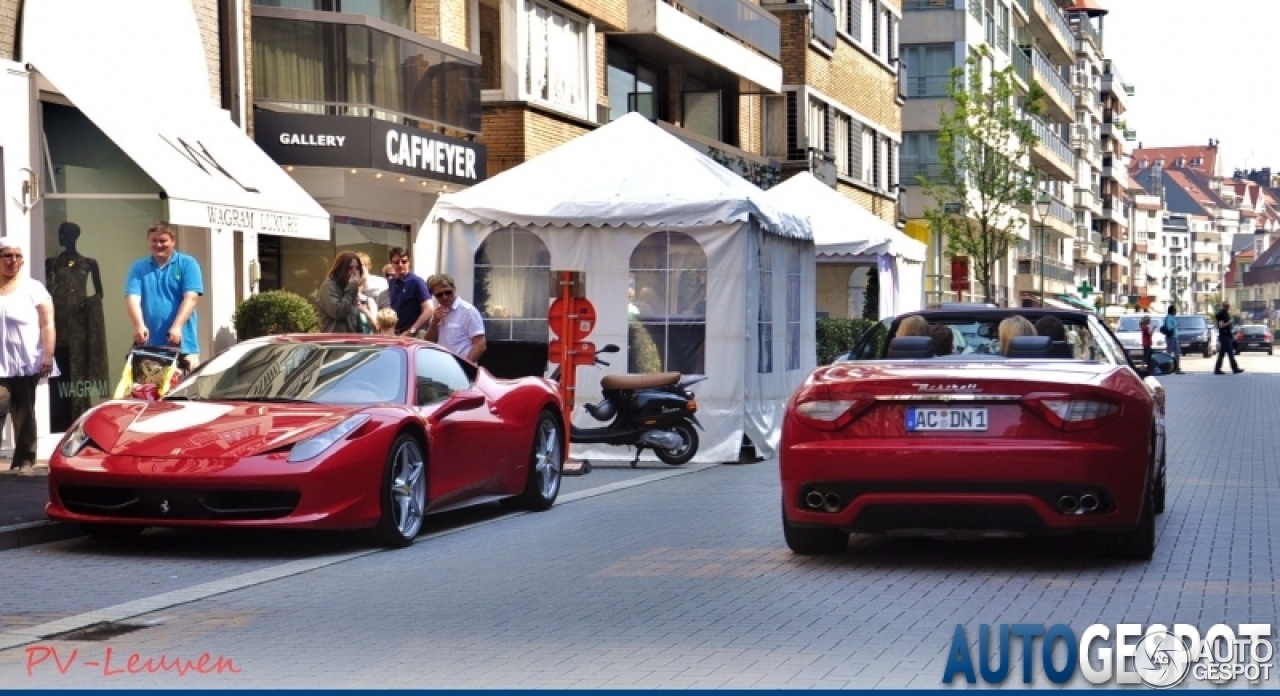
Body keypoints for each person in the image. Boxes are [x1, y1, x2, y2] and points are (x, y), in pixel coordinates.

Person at [0, 238, 57, 475]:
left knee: (24, 413)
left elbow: (47, 323)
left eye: (18, 256)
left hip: (25, 360)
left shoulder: (33, 288)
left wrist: (48, 354)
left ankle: (25, 460)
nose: (14, 261)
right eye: (8, 256)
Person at [125, 221, 204, 370]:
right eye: (154, 240)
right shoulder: (138, 268)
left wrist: (177, 326)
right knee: (150, 392)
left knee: (184, 392)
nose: (158, 245)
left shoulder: (188, 264)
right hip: (150, 348)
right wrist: (138, 325)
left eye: (163, 241)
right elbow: (132, 299)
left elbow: (191, 298)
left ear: (173, 241)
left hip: (183, 346)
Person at [423, 273, 486, 362]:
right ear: (434, 296)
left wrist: (465, 367)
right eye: (439, 295)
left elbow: (480, 345)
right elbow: (429, 342)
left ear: (454, 289)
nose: (444, 297)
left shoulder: (468, 311)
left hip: (461, 369)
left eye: (448, 292)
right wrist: (434, 322)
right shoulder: (437, 313)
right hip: (442, 367)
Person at [316, 252, 372, 333]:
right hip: (335, 341)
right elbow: (339, 313)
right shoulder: (328, 286)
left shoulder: (350, 287)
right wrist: (351, 288)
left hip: (351, 340)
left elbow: (354, 318)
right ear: (341, 269)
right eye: (350, 268)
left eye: (357, 268)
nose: (354, 272)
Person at [386, 247, 432, 335]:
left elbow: (429, 309)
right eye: (396, 262)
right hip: (397, 333)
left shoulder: (416, 282)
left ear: (409, 262)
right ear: (391, 263)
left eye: (404, 261)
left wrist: (412, 330)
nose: (400, 265)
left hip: (414, 334)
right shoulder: (392, 283)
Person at [1214, 300, 1243, 375]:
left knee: (1222, 354)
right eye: (1226, 306)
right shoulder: (1221, 314)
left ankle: (1217, 369)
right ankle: (1235, 368)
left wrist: (1231, 335)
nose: (1228, 307)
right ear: (1224, 306)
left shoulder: (1226, 314)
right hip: (1224, 336)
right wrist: (1229, 322)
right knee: (1230, 353)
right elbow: (1221, 325)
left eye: (1228, 306)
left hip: (1227, 336)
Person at [1162, 306, 1183, 374]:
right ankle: (1168, 368)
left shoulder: (1172, 318)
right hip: (1171, 338)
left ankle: (1176, 368)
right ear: (1172, 311)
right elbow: (1169, 327)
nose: (1176, 312)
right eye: (1175, 310)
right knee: (1170, 353)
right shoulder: (1169, 318)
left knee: (1177, 353)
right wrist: (1176, 325)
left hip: (1174, 337)